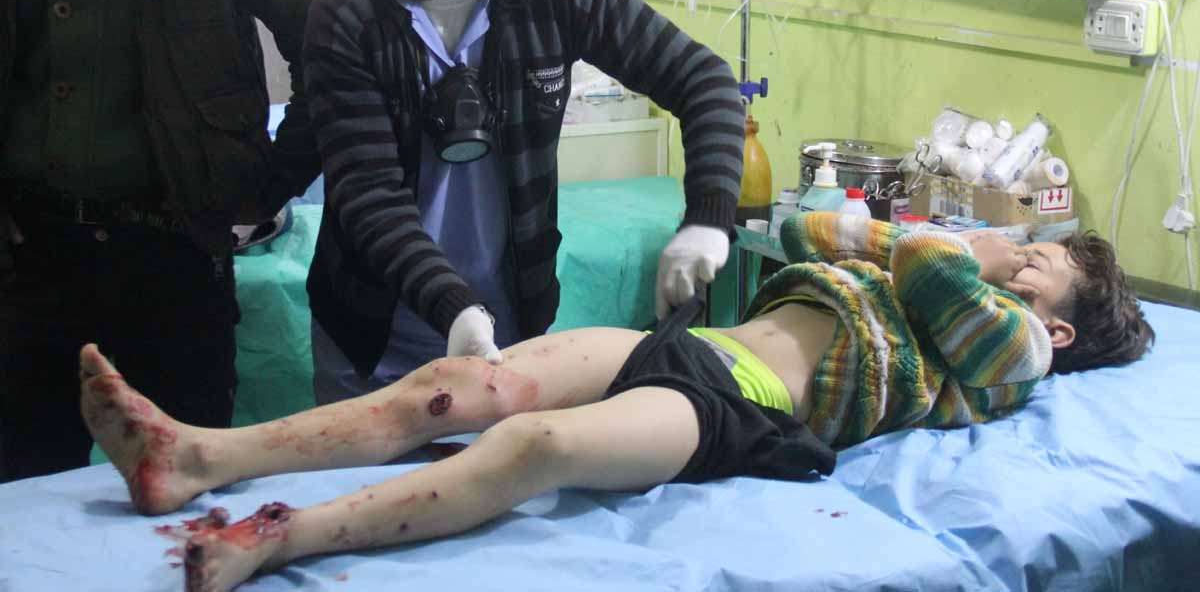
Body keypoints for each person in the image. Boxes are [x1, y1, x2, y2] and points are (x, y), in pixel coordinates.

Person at [79, 213, 1154, 592]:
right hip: (689, 348)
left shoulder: (1015, 351)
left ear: (1063, 324)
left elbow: (920, 261)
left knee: (534, 442)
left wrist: (971, 246)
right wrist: (929, 239)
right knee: (464, 386)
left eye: (1047, 263)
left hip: (741, 411)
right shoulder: (956, 278)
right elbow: (815, 229)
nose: (1027, 261)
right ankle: (202, 455)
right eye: (1033, 253)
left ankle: (277, 537)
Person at [300, 0, 746, 406]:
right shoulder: (347, 18)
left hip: (509, 329)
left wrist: (708, 218)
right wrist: (455, 309)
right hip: (375, 340)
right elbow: (369, 195)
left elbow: (703, 78)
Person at [0, 0, 321, 481]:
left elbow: (329, 59)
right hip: (27, 263)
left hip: (174, 262)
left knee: (184, 486)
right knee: (21, 490)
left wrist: (266, 184)